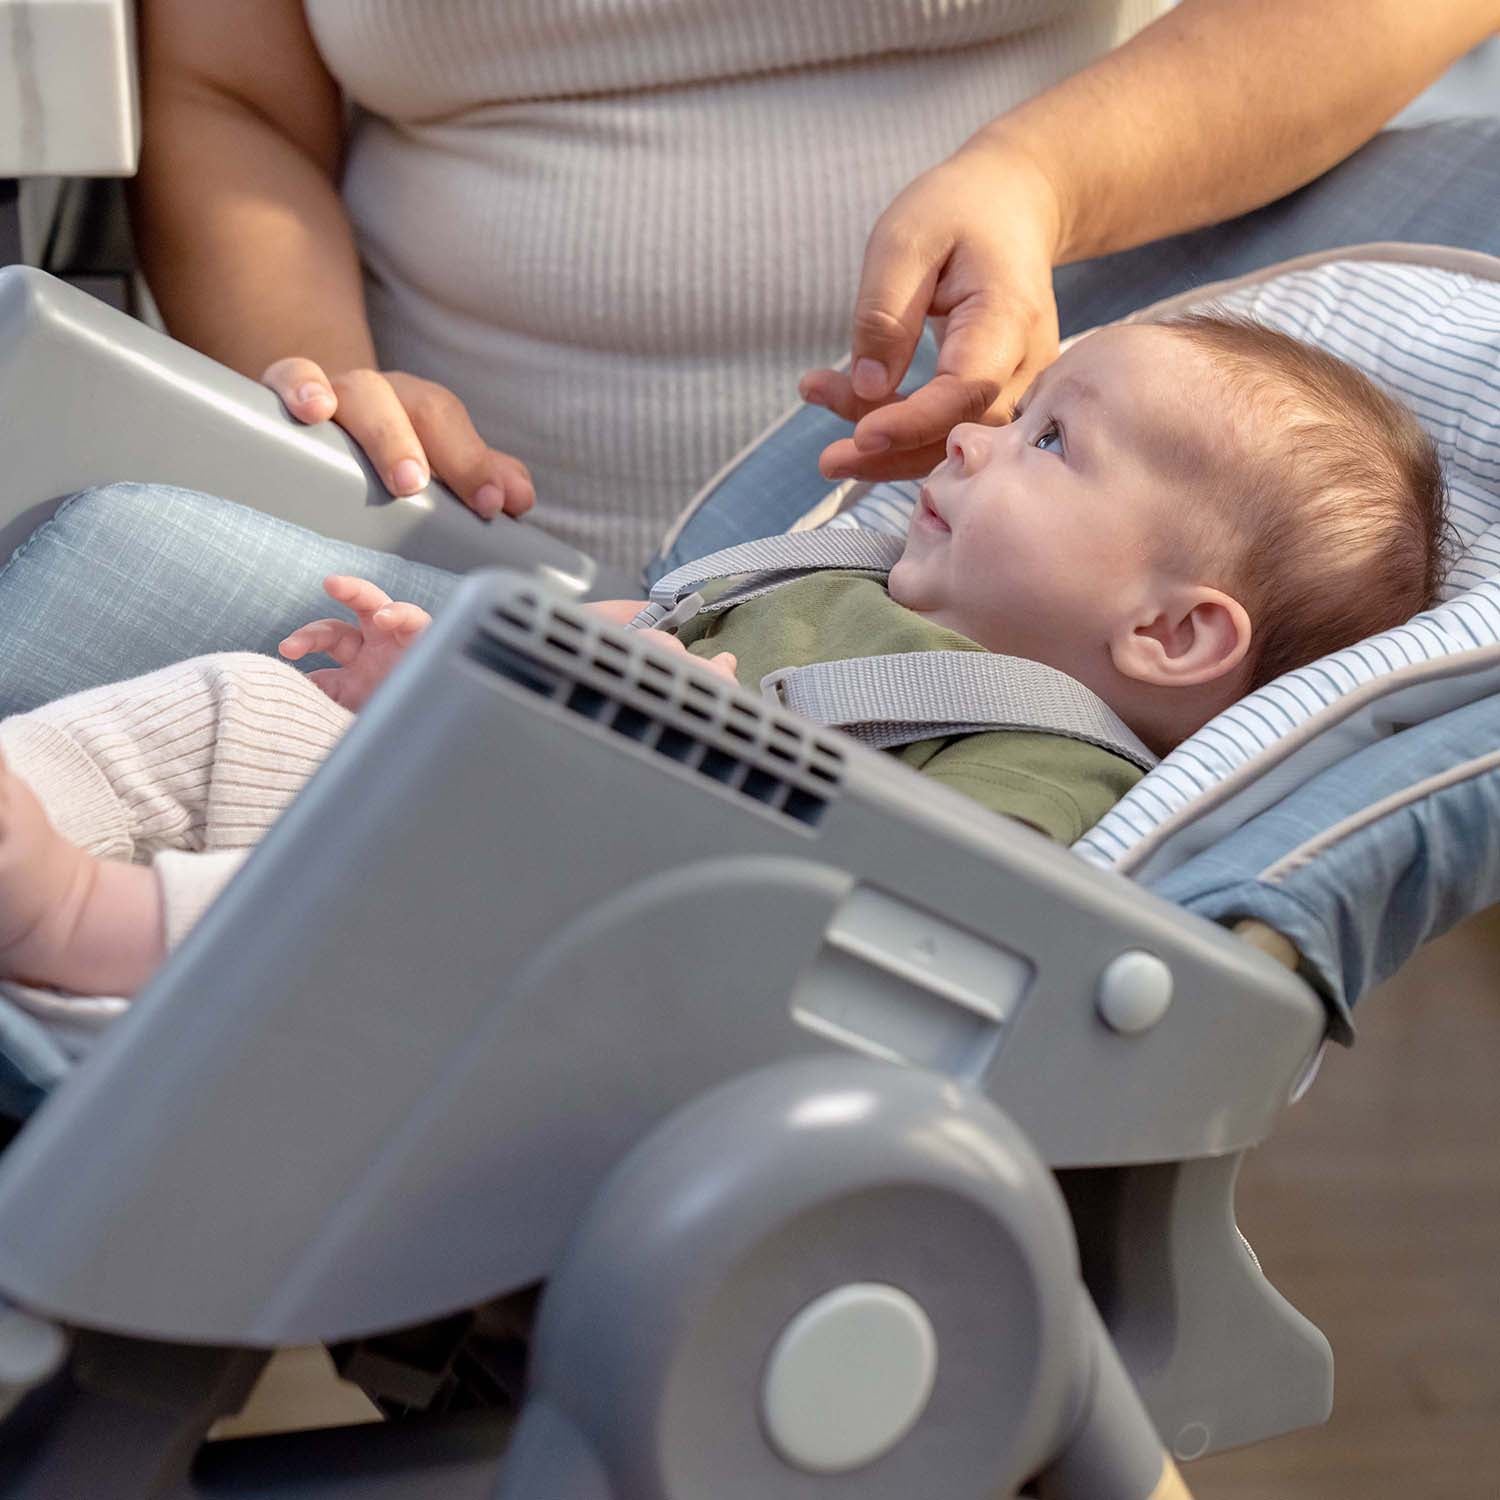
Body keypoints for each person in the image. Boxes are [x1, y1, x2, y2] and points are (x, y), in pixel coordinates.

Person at [0, 314, 1447, 1011]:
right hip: (473, 800)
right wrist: (455, 677)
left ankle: (76, 925)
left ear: (1171, 631)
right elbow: (610, 672)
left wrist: (707, 774)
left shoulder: (1052, 763)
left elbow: (918, 917)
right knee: (240, 702)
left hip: (579, 946)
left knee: (413, 906)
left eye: (1052, 443)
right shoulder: (841, 586)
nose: (971, 434)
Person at [132, 0, 1499, 572]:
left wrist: (1042, 181)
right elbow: (228, 95)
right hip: (430, 579)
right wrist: (325, 398)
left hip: (1015, 630)